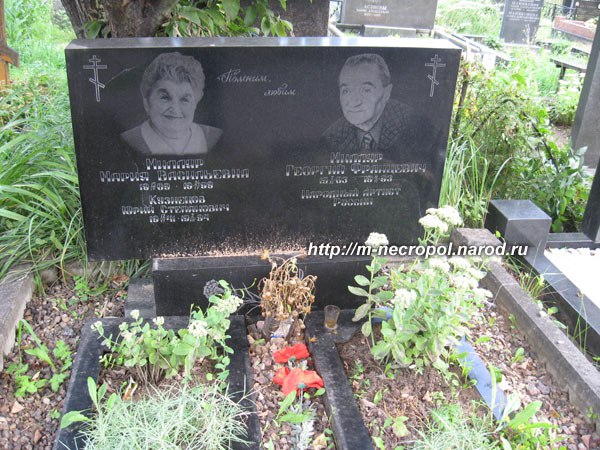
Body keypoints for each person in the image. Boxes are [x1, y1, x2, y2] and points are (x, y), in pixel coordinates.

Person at [121, 52, 222, 155]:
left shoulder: (215, 137)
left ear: (195, 103)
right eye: (165, 97)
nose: (175, 108)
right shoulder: (126, 141)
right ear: (146, 103)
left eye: (184, 99)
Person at [323, 53, 417, 155]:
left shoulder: (414, 125)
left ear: (386, 93)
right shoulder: (329, 138)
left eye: (366, 90)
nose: (354, 102)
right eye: (346, 91)